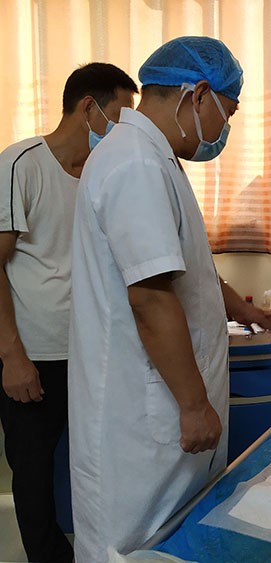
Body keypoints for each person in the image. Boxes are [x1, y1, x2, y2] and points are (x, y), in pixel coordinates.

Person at [67, 36, 271, 562]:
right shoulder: (135, 164)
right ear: (197, 94)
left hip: (161, 413)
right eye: (228, 113)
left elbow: (180, 266)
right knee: (134, 548)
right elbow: (150, 298)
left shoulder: (156, 158)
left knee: (171, 543)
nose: (224, 130)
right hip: (142, 419)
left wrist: (238, 307)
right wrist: (195, 405)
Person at [0, 62, 137, 563]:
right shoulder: (21, 164)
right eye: (120, 114)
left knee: (96, 463)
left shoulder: (106, 172)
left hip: (94, 352)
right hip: (36, 355)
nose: (124, 128)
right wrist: (12, 357)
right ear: (88, 108)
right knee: (34, 473)